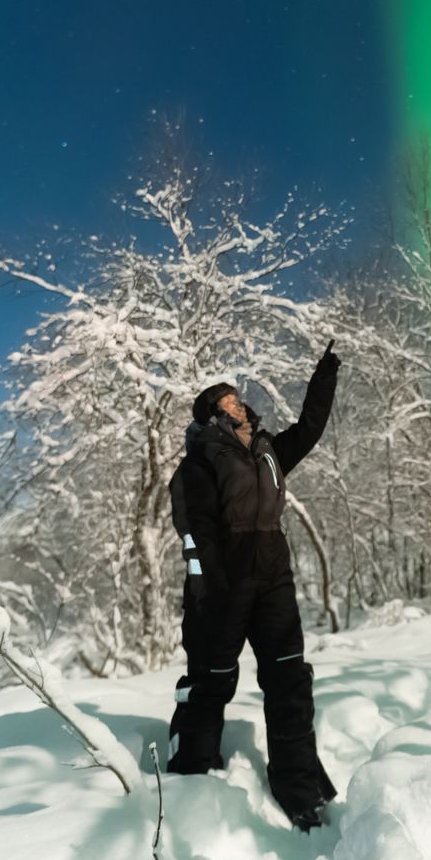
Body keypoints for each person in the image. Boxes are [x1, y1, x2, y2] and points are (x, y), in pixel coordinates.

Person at [167, 340, 340, 831]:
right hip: (224, 583)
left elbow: (309, 429)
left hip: (274, 573)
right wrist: (211, 592)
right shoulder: (200, 459)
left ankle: (299, 786)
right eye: (226, 400)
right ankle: (193, 773)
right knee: (213, 680)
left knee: (289, 680)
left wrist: (323, 378)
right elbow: (194, 532)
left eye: (237, 397)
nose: (238, 403)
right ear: (211, 416)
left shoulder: (267, 451)